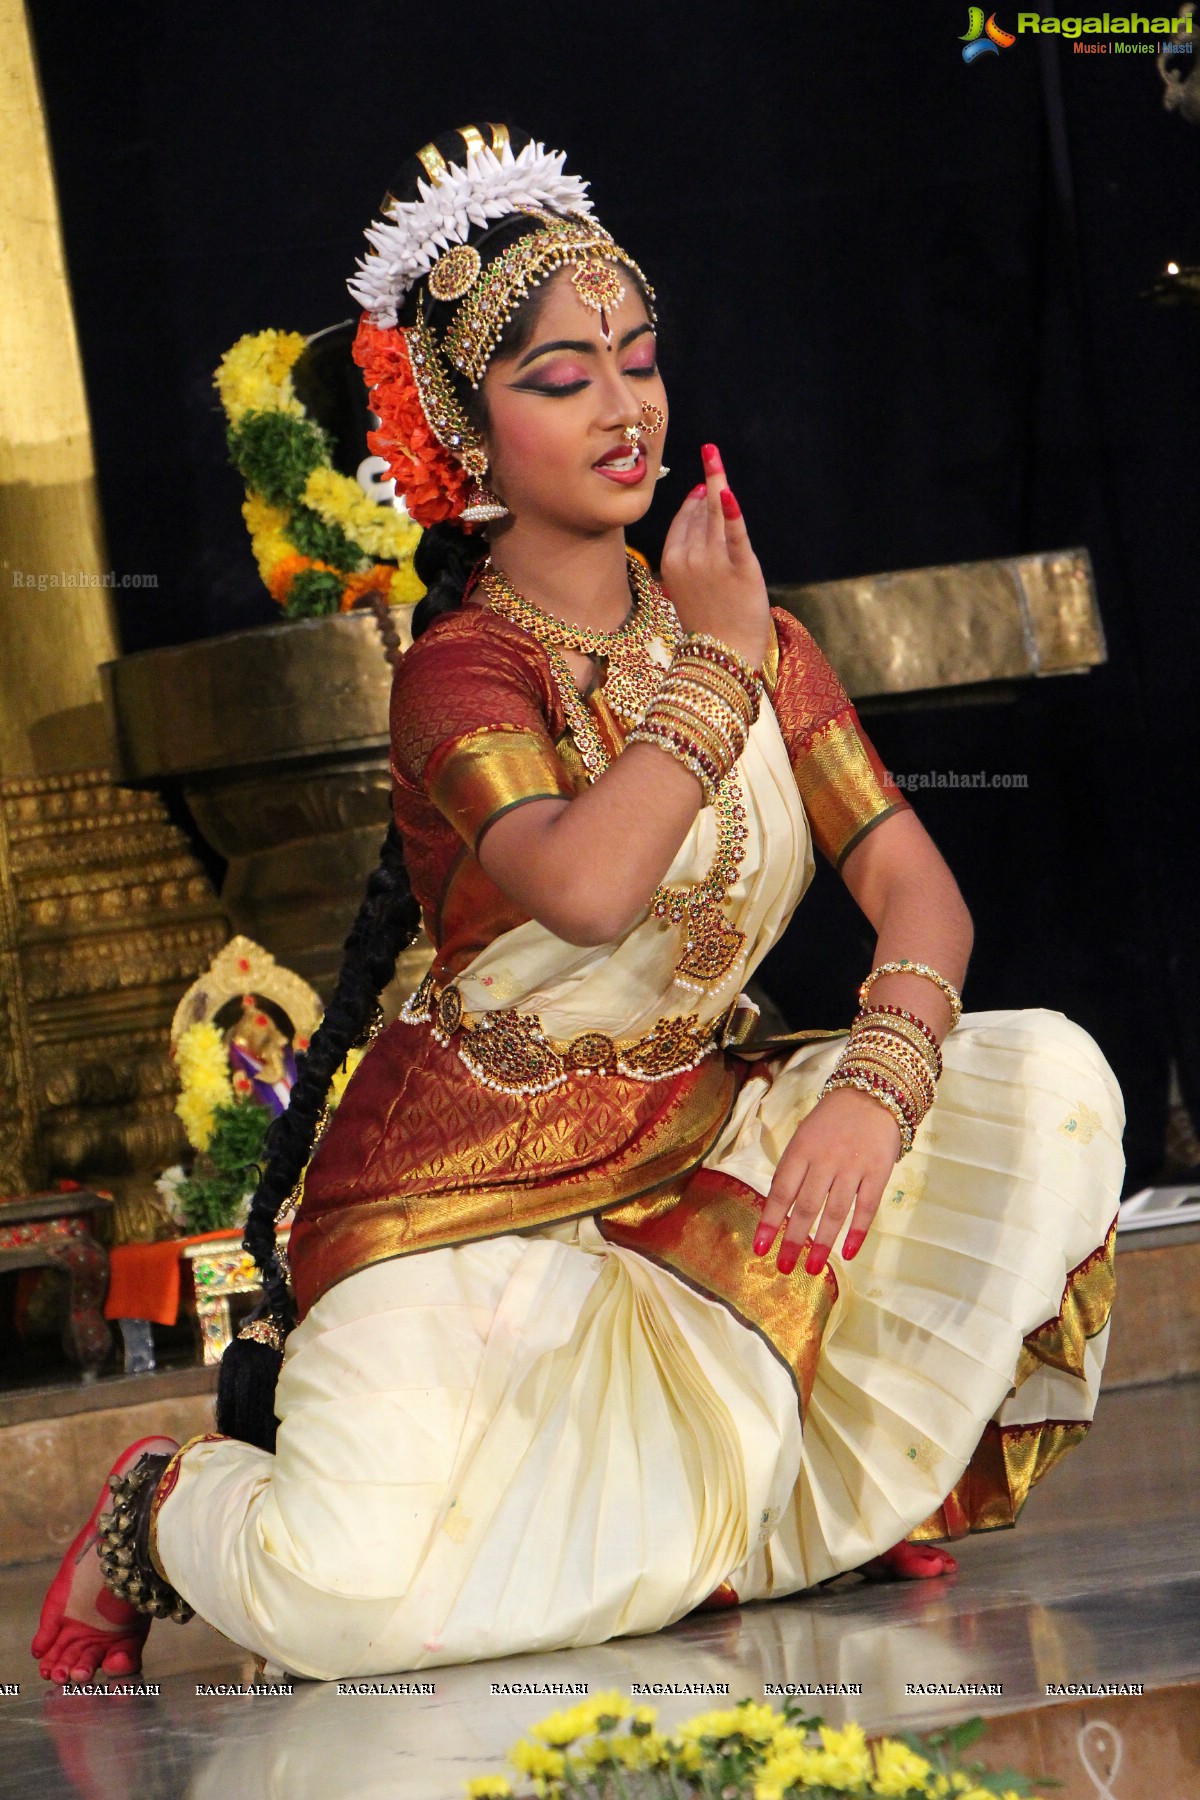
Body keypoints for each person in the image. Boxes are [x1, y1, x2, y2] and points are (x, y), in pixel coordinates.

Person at [33, 123, 1125, 1686]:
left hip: (693, 1148)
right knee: (351, 1609)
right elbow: (596, 890)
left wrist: (876, 1094)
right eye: (563, 376)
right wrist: (714, 669)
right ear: (466, 440)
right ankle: (158, 1512)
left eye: (638, 358)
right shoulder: (461, 673)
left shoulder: (748, 632)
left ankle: (765, 1506)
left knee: (1055, 1087)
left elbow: (917, 893)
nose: (626, 406)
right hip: (466, 1204)